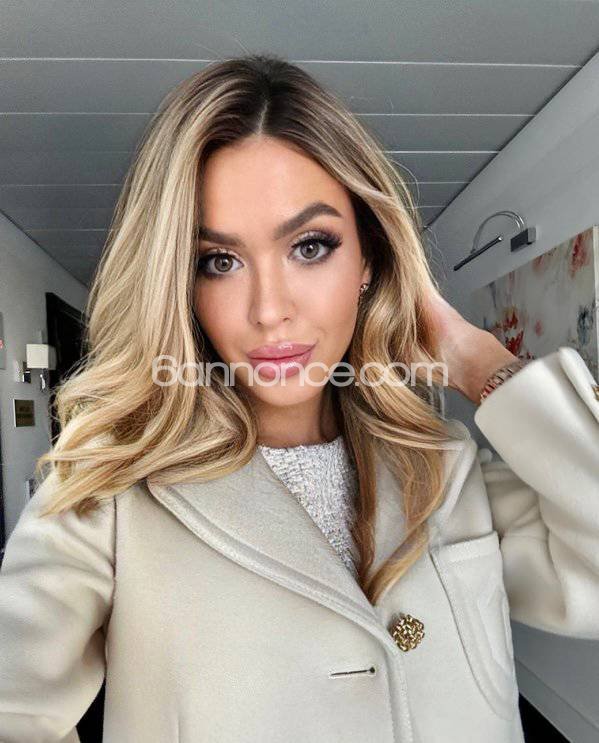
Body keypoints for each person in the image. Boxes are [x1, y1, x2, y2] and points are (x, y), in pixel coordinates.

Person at [1, 53, 598, 743]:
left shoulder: (443, 467)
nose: (269, 310)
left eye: (310, 246)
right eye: (218, 261)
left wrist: (479, 362)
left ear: (369, 259)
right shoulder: (109, 492)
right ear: (179, 284)